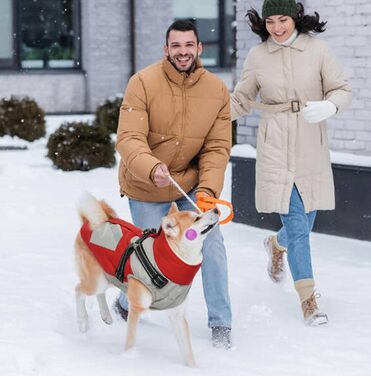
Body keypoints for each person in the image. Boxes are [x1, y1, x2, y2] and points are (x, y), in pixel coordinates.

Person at [231, 0, 352, 325]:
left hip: (311, 143)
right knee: (298, 226)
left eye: (282, 19)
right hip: (275, 144)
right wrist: (208, 114)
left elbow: (342, 89)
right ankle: (309, 300)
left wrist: (331, 107)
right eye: (270, 22)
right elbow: (241, 99)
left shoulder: (318, 49)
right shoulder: (258, 56)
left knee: (305, 221)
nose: (277, 28)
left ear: (295, 17)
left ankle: (274, 244)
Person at [115, 19, 232, 348]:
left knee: (211, 245)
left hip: (191, 188)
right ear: (166, 49)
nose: (183, 52)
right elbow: (129, 139)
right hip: (146, 185)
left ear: (199, 48)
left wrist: (207, 192)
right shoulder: (142, 83)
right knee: (154, 257)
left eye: (188, 45)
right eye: (176, 46)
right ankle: (126, 303)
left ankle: (221, 324)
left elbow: (216, 148)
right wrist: (151, 168)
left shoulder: (217, 91)